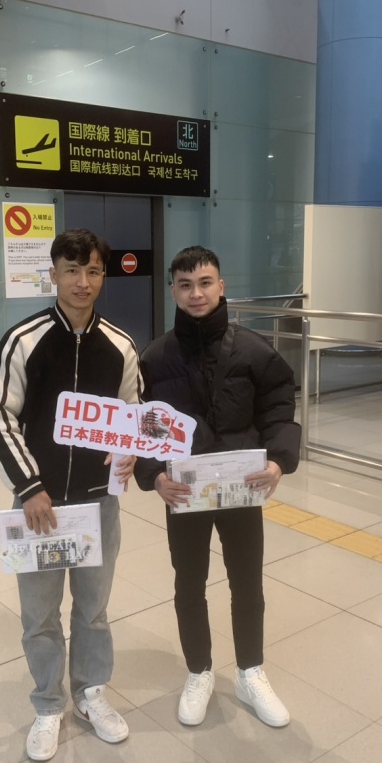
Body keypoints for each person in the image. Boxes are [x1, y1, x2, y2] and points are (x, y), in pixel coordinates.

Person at [0, 228, 142, 762]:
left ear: (103, 276)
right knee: (40, 614)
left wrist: (129, 452)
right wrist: (29, 486)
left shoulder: (120, 346)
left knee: (93, 610)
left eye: (93, 271)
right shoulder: (23, 340)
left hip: (98, 504)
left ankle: (91, 694)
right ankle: (48, 704)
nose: (82, 282)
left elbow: (133, 416)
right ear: (53, 274)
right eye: (72, 270)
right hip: (40, 506)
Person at [135, 246, 300, 728]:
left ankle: (250, 672)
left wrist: (278, 461)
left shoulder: (253, 350)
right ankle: (199, 672)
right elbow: (141, 426)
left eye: (205, 283)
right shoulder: (155, 357)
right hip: (184, 491)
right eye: (185, 285)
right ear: (173, 291)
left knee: (247, 582)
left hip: (240, 488)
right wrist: (154, 475)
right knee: (189, 583)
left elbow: (278, 406)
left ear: (221, 286)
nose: (196, 293)